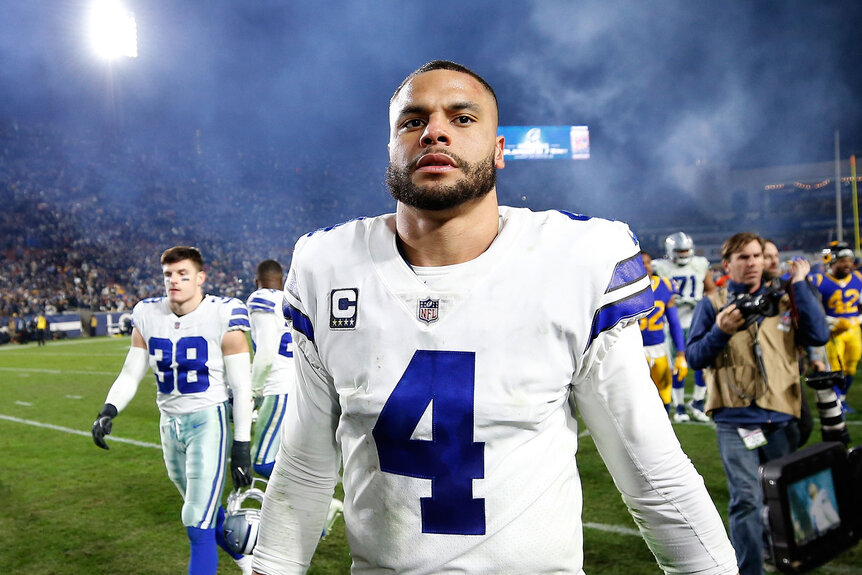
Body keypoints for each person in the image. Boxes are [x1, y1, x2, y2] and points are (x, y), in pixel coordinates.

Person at [252, 60, 738, 575]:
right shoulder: (328, 265)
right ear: (392, 147)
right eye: (412, 121)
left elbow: (651, 470)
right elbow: (304, 465)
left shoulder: (575, 258)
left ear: (499, 151)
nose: (434, 130)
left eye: (462, 119)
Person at [91, 246, 255, 575]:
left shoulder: (223, 313)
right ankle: (247, 559)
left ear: (200, 278)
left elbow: (241, 387)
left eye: (183, 274)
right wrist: (109, 409)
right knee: (203, 507)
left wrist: (241, 445)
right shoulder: (147, 314)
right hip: (169, 425)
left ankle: (245, 559)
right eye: (168, 274)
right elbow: (131, 372)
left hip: (208, 421)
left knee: (196, 521)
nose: (174, 281)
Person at [686, 233, 829, 575]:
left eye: (756, 256)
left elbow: (818, 336)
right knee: (747, 499)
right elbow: (694, 357)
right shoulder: (712, 304)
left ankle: (793, 558)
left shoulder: (784, 300)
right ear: (728, 264)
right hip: (735, 420)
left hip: (781, 417)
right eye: (743, 257)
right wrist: (719, 331)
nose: (752, 263)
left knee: (785, 498)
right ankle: (750, 570)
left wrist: (799, 284)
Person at [246, 259, 344, 538]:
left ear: (257, 281)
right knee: (288, 453)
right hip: (302, 385)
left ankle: (321, 505)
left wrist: (253, 392)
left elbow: (265, 352)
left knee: (263, 461)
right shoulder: (293, 298)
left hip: (278, 386)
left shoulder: (260, 300)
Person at [653, 231, 716, 422]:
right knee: (677, 366)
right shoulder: (660, 267)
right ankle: (679, 406)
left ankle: (698, 403)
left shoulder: (699, 264)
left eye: (686, 251)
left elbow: (711, 289)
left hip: (697, 320)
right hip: (673, 323)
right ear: (671, 251)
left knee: (702, 364)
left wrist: (704, 301)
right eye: (679, 251)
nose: (683, 255)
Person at [809, 241, 861, 412]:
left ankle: (843, 399)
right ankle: (836, 400)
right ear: (832, 262)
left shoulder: (858, 279)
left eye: (849, 260)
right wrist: (831, 321)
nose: (848, 264)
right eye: (843, 260)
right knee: (834, 368)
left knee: (851, 366)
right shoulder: (818, 280)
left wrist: (858, 319)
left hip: (853, 330)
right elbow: (811, 307)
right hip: (832, 333)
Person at [639, 252, 688, 413]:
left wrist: (681, 353)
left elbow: (674, 323)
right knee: (637, 395)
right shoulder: (626, 288)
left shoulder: (665, 285)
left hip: (659, 346)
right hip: (635, 349)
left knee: (664, 392)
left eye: (648, 262)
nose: (646, 265)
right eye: (641, 262)